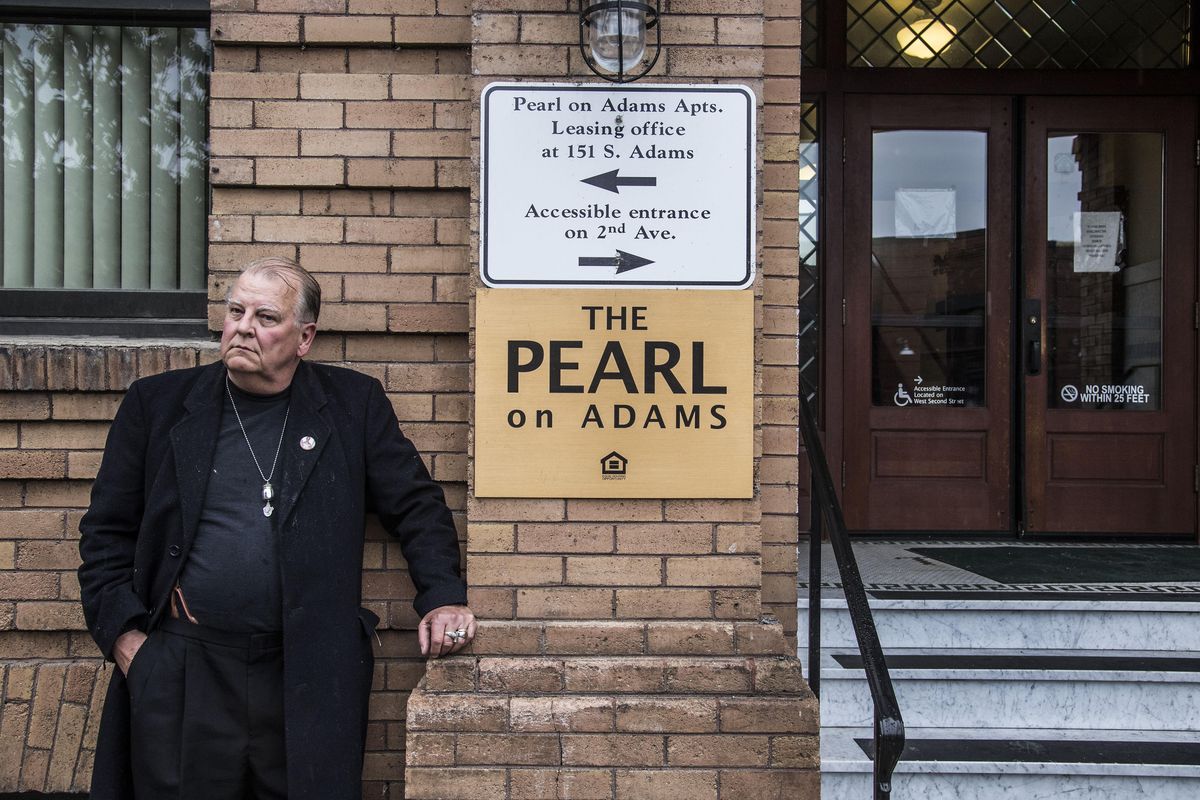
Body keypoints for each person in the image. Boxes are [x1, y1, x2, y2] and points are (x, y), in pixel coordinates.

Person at [78, 257, 476, 800]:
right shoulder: (159, 404)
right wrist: (129, 643)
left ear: (304, 337)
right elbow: (105, 533)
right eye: (235, 311)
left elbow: (417, 506)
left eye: (265, 317)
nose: (243, 327)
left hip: (306, 671)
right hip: (185, 667)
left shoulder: (351, 405)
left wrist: (442, 597)